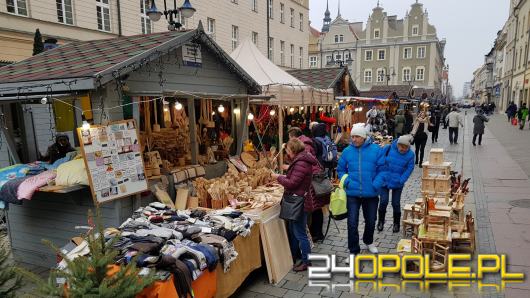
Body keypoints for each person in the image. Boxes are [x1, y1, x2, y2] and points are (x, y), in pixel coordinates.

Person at [272, 139, 320, 272]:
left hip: (299, 202)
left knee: (300, 233)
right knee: (296, 230)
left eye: (287, 150)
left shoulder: (301, 162)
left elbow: (292, 183)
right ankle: (297, 256)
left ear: (293, 150)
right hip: (299, 200)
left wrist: (278, 177)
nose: (286, 153)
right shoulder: (301, 160)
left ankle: (306, 262)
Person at [337, 125, 383, 255]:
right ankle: (353, 251)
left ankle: (368, 241)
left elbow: (383, 170)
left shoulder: (376, 150)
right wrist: (347, 182)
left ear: (364, 137)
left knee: (371, 220)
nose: (354, 139)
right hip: (353, 193)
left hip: (371, 193)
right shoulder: (347, 151)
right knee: (352, 223)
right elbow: (340, 170)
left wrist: (376, 184)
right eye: (352, 136)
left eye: (357, 136)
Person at [377, 135, 415, 233]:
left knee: (396, 203)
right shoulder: (388, 148)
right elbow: (379, 160)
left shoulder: (410, 155)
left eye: (405, 147)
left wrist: (402, 179)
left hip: (398, 181)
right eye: (401, 146)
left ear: (408, 146)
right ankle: (380, 221)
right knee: (383, 201)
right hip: (385, 179)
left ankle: (396, 223)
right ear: (397, 144)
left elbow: (410, 168)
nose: (402, 149)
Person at [309, 123, 337, 241]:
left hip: (316, 175)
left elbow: (312, 158)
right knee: (319, 205)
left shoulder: (315, 142)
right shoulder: (327, 139)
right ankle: (319, 233)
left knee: (315, 206)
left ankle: (315, 233)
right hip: (325, 171)